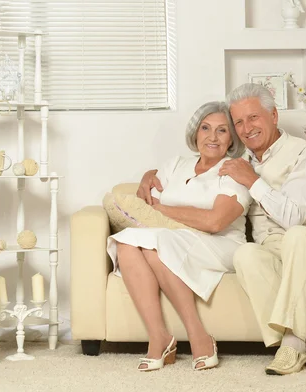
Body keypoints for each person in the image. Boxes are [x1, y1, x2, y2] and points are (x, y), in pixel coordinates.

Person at [108, 101, 252, 372]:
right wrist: (146, 177)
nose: (212, 137)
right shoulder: (176, 165)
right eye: (205, 128)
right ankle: (159, 337)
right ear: (195, 133)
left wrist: (164, 210)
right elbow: (148, 204)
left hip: (221, 245)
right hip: (178, 238)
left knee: (157, 243)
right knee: (127, 243)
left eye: (222, 131)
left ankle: (198, 335)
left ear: (231, 138)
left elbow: (215, 221)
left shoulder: (232, 171)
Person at [219, 83, 306, 375]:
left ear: (274, 116)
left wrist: (252, 180)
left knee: (297, 235)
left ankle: (290, 343)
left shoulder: (305, 153)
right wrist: (153, 176)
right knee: (245, 255)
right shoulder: (241, 162)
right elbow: (197, 167)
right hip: (274, 250)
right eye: (238, 122)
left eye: (253, 117)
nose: (246, 128)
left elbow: (294, 218)